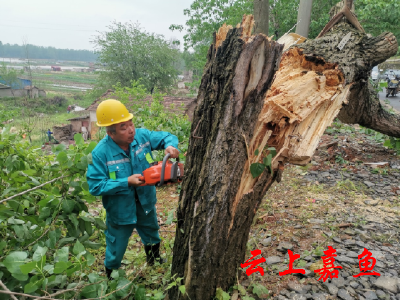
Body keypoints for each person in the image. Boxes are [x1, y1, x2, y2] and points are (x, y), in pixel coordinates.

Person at [86, 99, 179, 279]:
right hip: (120, 210)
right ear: (110, 133)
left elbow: (165, 136)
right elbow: (95, 186)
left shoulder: (142, 137)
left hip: (145, 201)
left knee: (151, 230)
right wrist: (125, 181)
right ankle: (111, 275)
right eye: (123, 127)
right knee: (117, 243)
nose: (131, 130)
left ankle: (154, 260)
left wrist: (171, 145)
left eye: (131, 124)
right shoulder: (100, 153)